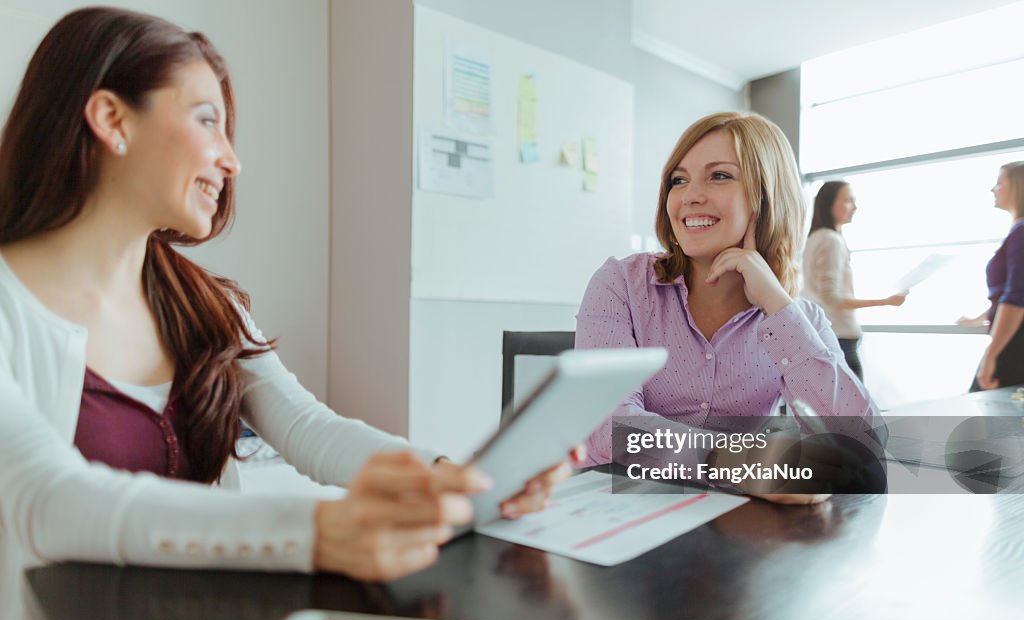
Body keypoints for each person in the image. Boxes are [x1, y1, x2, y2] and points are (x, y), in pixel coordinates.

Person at [0, 7, 573, 582]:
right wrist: (313, 532)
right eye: (207, 121)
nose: (232, 159)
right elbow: (46, 499)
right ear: (111, 119)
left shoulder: (208, 307)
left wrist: (458, 477)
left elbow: (311, 430)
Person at [574, 112, 878, 504]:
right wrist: (731, 460)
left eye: (719, 176)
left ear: (768, 197)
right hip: (612, 506)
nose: (689, 196)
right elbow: (608, 425)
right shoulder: (621, 284)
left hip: (731, 521)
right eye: (678, 180)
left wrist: (775, 301)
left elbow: (860, 446)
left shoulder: (801, 318)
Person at [802, 181, 907, 380]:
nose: (855, 207)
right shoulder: (830, 240)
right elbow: (832, 298)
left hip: (828, 333)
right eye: (848, 200)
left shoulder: (816, 237)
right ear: (830, 203)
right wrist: (885, 302)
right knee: (852, 406)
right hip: (839, 335)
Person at [962, 162, 1024, 390]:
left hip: (1014, 344)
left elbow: (1016, 298)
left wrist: (991, 354)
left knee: (987, 421)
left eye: (999, 183)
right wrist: (980, 318)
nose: (993, 189)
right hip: (1013, 340)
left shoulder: (1021, 233)